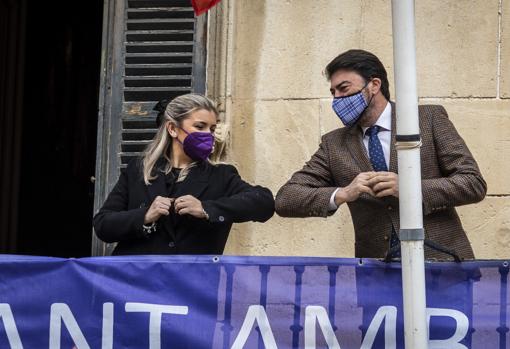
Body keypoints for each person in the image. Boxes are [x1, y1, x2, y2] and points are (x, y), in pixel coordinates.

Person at [275, 49, 487, 260]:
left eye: (343, 88)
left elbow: (473, 183)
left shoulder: (427, 119)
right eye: (333, 93)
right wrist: (343, 193)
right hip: (377, 276)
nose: (337, 99)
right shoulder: (334, 144)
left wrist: (409, 188)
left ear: (374, 85)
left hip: (444, 265)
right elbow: (286, 199)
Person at [94, 93, 275, 255]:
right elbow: (103, 224)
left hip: (191, 284)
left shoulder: (221, 175)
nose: (208, 135)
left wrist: (206, 209)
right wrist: (145, 216)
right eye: (200, 126)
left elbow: (264, 202)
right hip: (136, 283)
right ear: (172, 129)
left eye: (212, 129)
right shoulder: (139, 169)